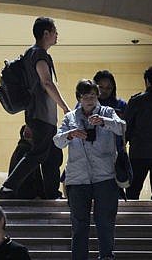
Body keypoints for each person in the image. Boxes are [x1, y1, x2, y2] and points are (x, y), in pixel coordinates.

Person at [0, 17, 70, 199]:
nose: (57, 35)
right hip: (41, 114)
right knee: (37, 154)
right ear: (46, 33)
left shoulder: (31, 53)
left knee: (52, 156)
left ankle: (52, 192)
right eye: (54, 32)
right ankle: (9, 187)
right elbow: (46, 82)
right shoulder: (39, 54)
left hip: (41, 114)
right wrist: (65, 107)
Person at [53, 79, 124, 260]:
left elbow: (122, 127)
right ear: (79, 98)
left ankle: (107, 256)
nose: (90, 101)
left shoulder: (107, 112)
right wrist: (71, 134)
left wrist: (103, 122)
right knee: (79, 224)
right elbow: (57, 141)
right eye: (85, 97)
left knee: (105, 222)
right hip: (77, 179)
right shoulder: (70, 118)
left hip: (105, 177)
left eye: (93, 96)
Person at [124, 66, 152, 200]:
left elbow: (126, 127)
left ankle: (129, 219)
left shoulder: (136, 101)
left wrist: (121, 148)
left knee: (133, 192)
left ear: (147, 81)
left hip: (139, 152)